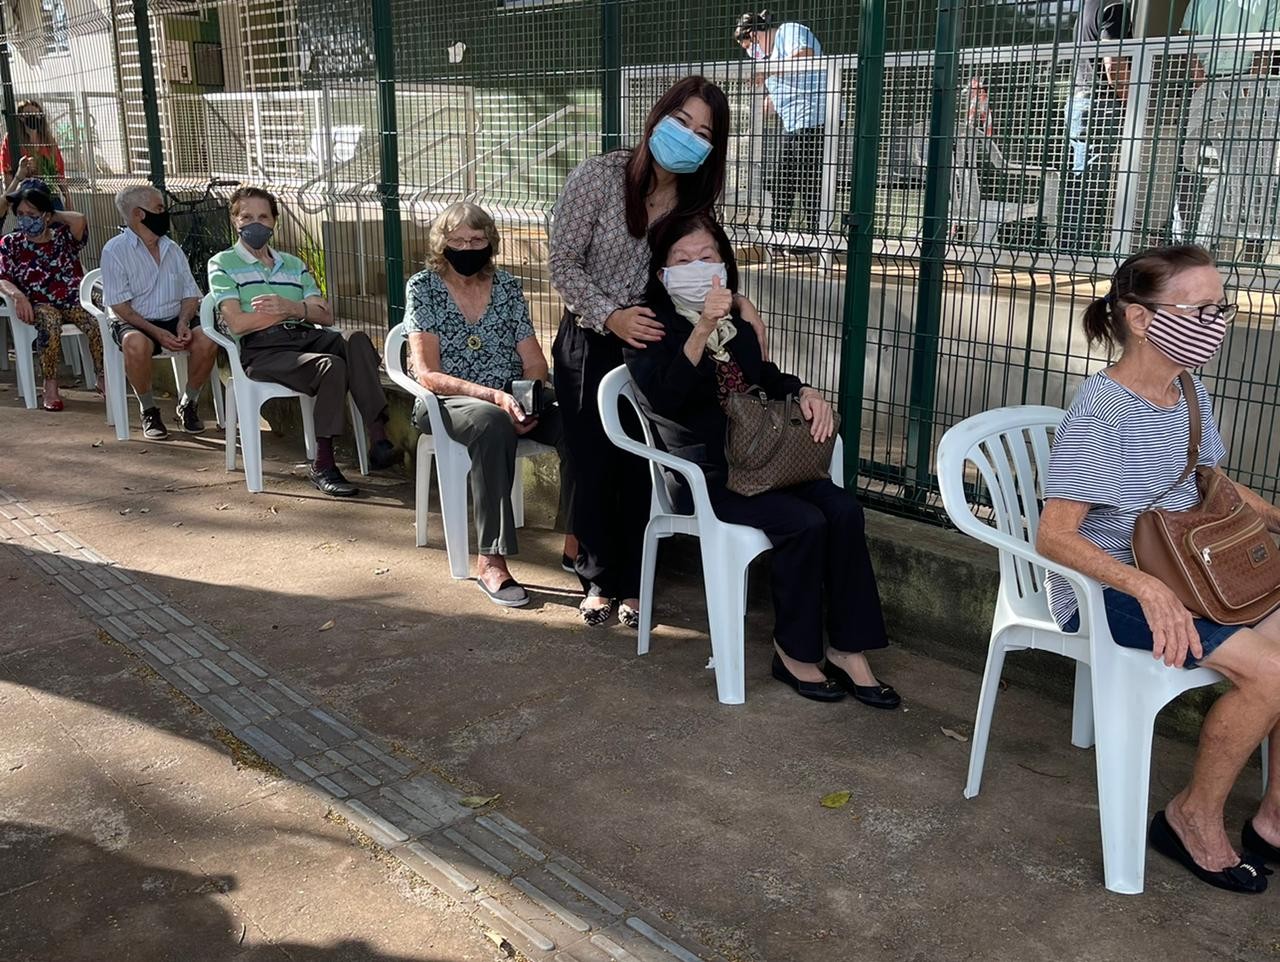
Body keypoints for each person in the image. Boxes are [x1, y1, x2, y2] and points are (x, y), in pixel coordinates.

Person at [1037, 244, 1280, 894]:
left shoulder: (1188, 391)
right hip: (1107, 585)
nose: (1218, 321)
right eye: (1202, 309)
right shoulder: (1102, 412)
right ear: (1142, 320)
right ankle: (1190, 819)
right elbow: (1054, 537)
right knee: (1270, 674)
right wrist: (1145, 588)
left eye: (1220, 307)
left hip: (1188, 566)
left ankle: (1273, 821)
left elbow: (1212, 483)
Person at [625, 213, 899, 709]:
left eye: (707, 256)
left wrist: (804, 390)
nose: (696, 266)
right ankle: (794, 652)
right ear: (662, 273)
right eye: (681, 260)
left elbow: (765, 375)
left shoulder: (737, 321)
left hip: (766, 460)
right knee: (803, 522)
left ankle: (848, 649)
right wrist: (703, 324)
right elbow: (667, 397)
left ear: (725, 264)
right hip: (706, 472)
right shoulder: (648, 324)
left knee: (843, 511)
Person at [405, 202, 570, 608]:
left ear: (490, 242)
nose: (467, 247)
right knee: (493, 423)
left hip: (508, 397)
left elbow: (534, 361)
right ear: (441, 244)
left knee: (576, 422)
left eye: (476, 239)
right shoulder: (423, 287)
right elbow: (426, 372)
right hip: (447, 401)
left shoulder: (508, 287)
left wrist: (526, 400)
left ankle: (576, 541)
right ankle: (490, 558)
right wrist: (495, 398)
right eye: (457, 240)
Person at [207, 186, 397, 497]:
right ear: (234, 221)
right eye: (246, 217)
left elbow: (325, 315)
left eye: (263, 217)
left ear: (274, 222)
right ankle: (323, 463)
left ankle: (378, 437)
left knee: (357, 339)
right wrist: (294, 312)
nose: (255, 223)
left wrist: (290, 308)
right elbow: (237, 322)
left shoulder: (293, 265)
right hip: (263, 350)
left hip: (305, 337)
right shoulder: (223, 264)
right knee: (331, 366)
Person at [99, 184, 218, 440]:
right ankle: (148, 409)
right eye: (159, 208)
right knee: (135, 344)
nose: (165, 213)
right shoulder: (114, 251)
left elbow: (190, 293)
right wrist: (156, 333)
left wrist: (184, 322)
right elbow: (120, 307)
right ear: (138, 214)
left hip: (174, 318)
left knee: (208, 339)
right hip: (136, 321)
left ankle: (188, 403)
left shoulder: (172, 249)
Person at [0, 180, 101, 411]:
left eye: (32, 213)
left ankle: (103, 376)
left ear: (46, 216)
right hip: (37, 304)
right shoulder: (11, 243)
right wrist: (18, 296)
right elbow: (2, 277)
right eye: (21, 214)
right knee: (50, 320)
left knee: (97, 318)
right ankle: (50, 385)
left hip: (71, 299)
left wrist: (51, 215)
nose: (26, 219)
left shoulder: (62, 237)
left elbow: (79, 219)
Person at [734, 10, 826, 251]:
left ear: (755, 35)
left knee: (810, 180)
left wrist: (766, 73)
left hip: (815, 118)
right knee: (783, 181)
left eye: (748, 47)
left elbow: (804, 57)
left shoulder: (790, 32)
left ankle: (816, 239)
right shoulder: (766, 60)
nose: (749, 53)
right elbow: (777, 95)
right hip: (793, 123)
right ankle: (778, 236)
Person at [1061, 0, 1132, 253]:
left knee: (1079, 178)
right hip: (1100, 103)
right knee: (1091, 183)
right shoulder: (1115, 6)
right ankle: (1077, 251)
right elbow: (1112, 62)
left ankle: (1070, 247)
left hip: (1079, 99)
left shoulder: (1089, 7)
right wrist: (1129, 101)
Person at [0, 100, 70, 209]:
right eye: (29, 114)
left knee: (58, 224)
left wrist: (68, 200)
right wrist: (10, 199)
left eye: (37, 114)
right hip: (26, 197)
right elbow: (7, 172)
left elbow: (59, 173)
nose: (34, 117)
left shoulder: (48, 140)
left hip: (50, 196)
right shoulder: (12, 140)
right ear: (21, 118)